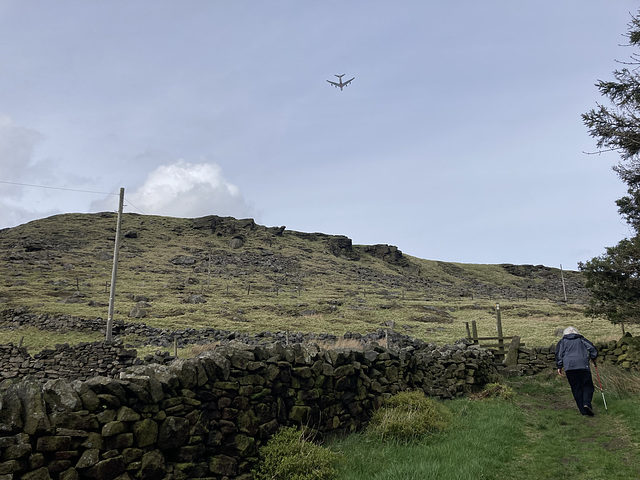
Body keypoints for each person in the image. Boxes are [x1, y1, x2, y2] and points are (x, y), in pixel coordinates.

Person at [555, 326, 598, 416]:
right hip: (583, 365)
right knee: (588, 386)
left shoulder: (562, 342)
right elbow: (592, 348)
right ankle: (587, 403)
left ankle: (583, 410)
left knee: (576, 388)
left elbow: (559, 355)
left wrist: (559, 366)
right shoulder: (581, 339)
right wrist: (593, 357)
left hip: (569, 367)